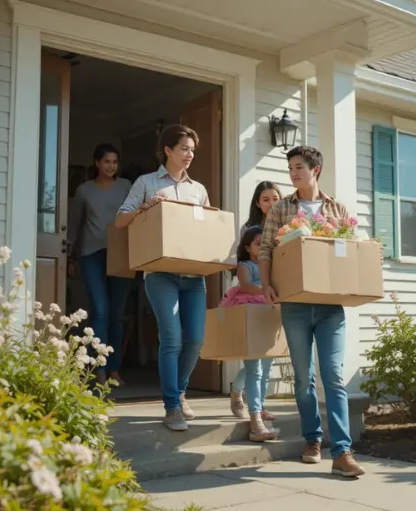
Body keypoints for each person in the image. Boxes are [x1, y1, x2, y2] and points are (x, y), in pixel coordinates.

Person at [258, 146, 368, 478]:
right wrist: (265, 285)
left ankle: (343, 451)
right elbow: (266, 249)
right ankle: (312, 439)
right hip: (294, 305)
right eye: (290, 167)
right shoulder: (280, 208)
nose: (293, 173)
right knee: (303, 378)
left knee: (333, 377)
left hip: (330, 307)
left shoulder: (337, 208)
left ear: (315, 169)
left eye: (299, 167)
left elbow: (349, 251)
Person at [115, 125, 209, 432]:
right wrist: (145, 207)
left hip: (193, 275)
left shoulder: (198, 189)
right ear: (167, 149)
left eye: (192, 150)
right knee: (171, 337)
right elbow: (120, 220)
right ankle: (171, 407)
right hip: (159, 274)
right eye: (184, 148)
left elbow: (209, 226)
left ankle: (180, 391)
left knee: (194, 339)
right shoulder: (146, 183)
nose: (189, 155)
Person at [68, 143, 133, 387]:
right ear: (97, 163)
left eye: (115, 162)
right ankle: (99, 369)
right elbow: (76, 225)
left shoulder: (127, 186)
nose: (111, 166)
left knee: (116, 314)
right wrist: (71, 256)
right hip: (91, 254)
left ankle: (114, 369)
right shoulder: (84, 191)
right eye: (107, 161)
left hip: (121, 252)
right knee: (100, 310)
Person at [219, 226, 279, 442]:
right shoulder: (246, 265)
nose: (262, 247)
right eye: (257, 243)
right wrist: (265, 289)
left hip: (268, 314)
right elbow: (244, 286)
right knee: (255, 368)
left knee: (266, 365)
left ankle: (253, 402)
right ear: (247, 247)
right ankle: (256, 419)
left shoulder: (271, 266)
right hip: (250, 312)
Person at [229, 181, 283, 420]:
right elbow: (245, 267)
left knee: (267, 358)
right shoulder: (251, 229)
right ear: (258, 203)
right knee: (254, 361)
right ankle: (242, 396)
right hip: (253, 300)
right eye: (265, 199)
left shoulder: (286, 226)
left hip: (275, 298)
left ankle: (258, 404)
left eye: (275, 198)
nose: (271, 203)